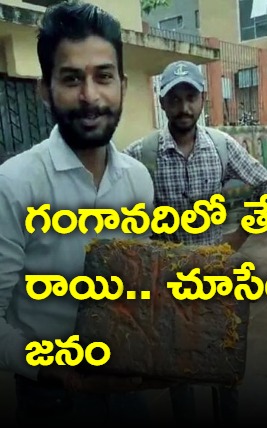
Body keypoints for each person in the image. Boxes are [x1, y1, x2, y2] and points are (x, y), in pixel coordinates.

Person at [0, 2, 163, 425]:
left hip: (128, 383)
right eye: (72, 79)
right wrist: (59, 371)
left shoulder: (139, 181)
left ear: (122, 85)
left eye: (103, 77)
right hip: (49, 400)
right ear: (45, 89)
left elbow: (132, 288)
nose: (90, 97)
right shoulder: (14, 185)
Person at [123, 60, 267, 425]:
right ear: (162, 103)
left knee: (225, 355)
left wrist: (237, 238)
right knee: (179, 365)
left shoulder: (222, 147)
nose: (184, 108)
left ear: (203, 99)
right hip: (167, 278)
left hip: (216, 272)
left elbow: (266, 184)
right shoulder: (140, 155)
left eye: (190, 97)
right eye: (174, 99)